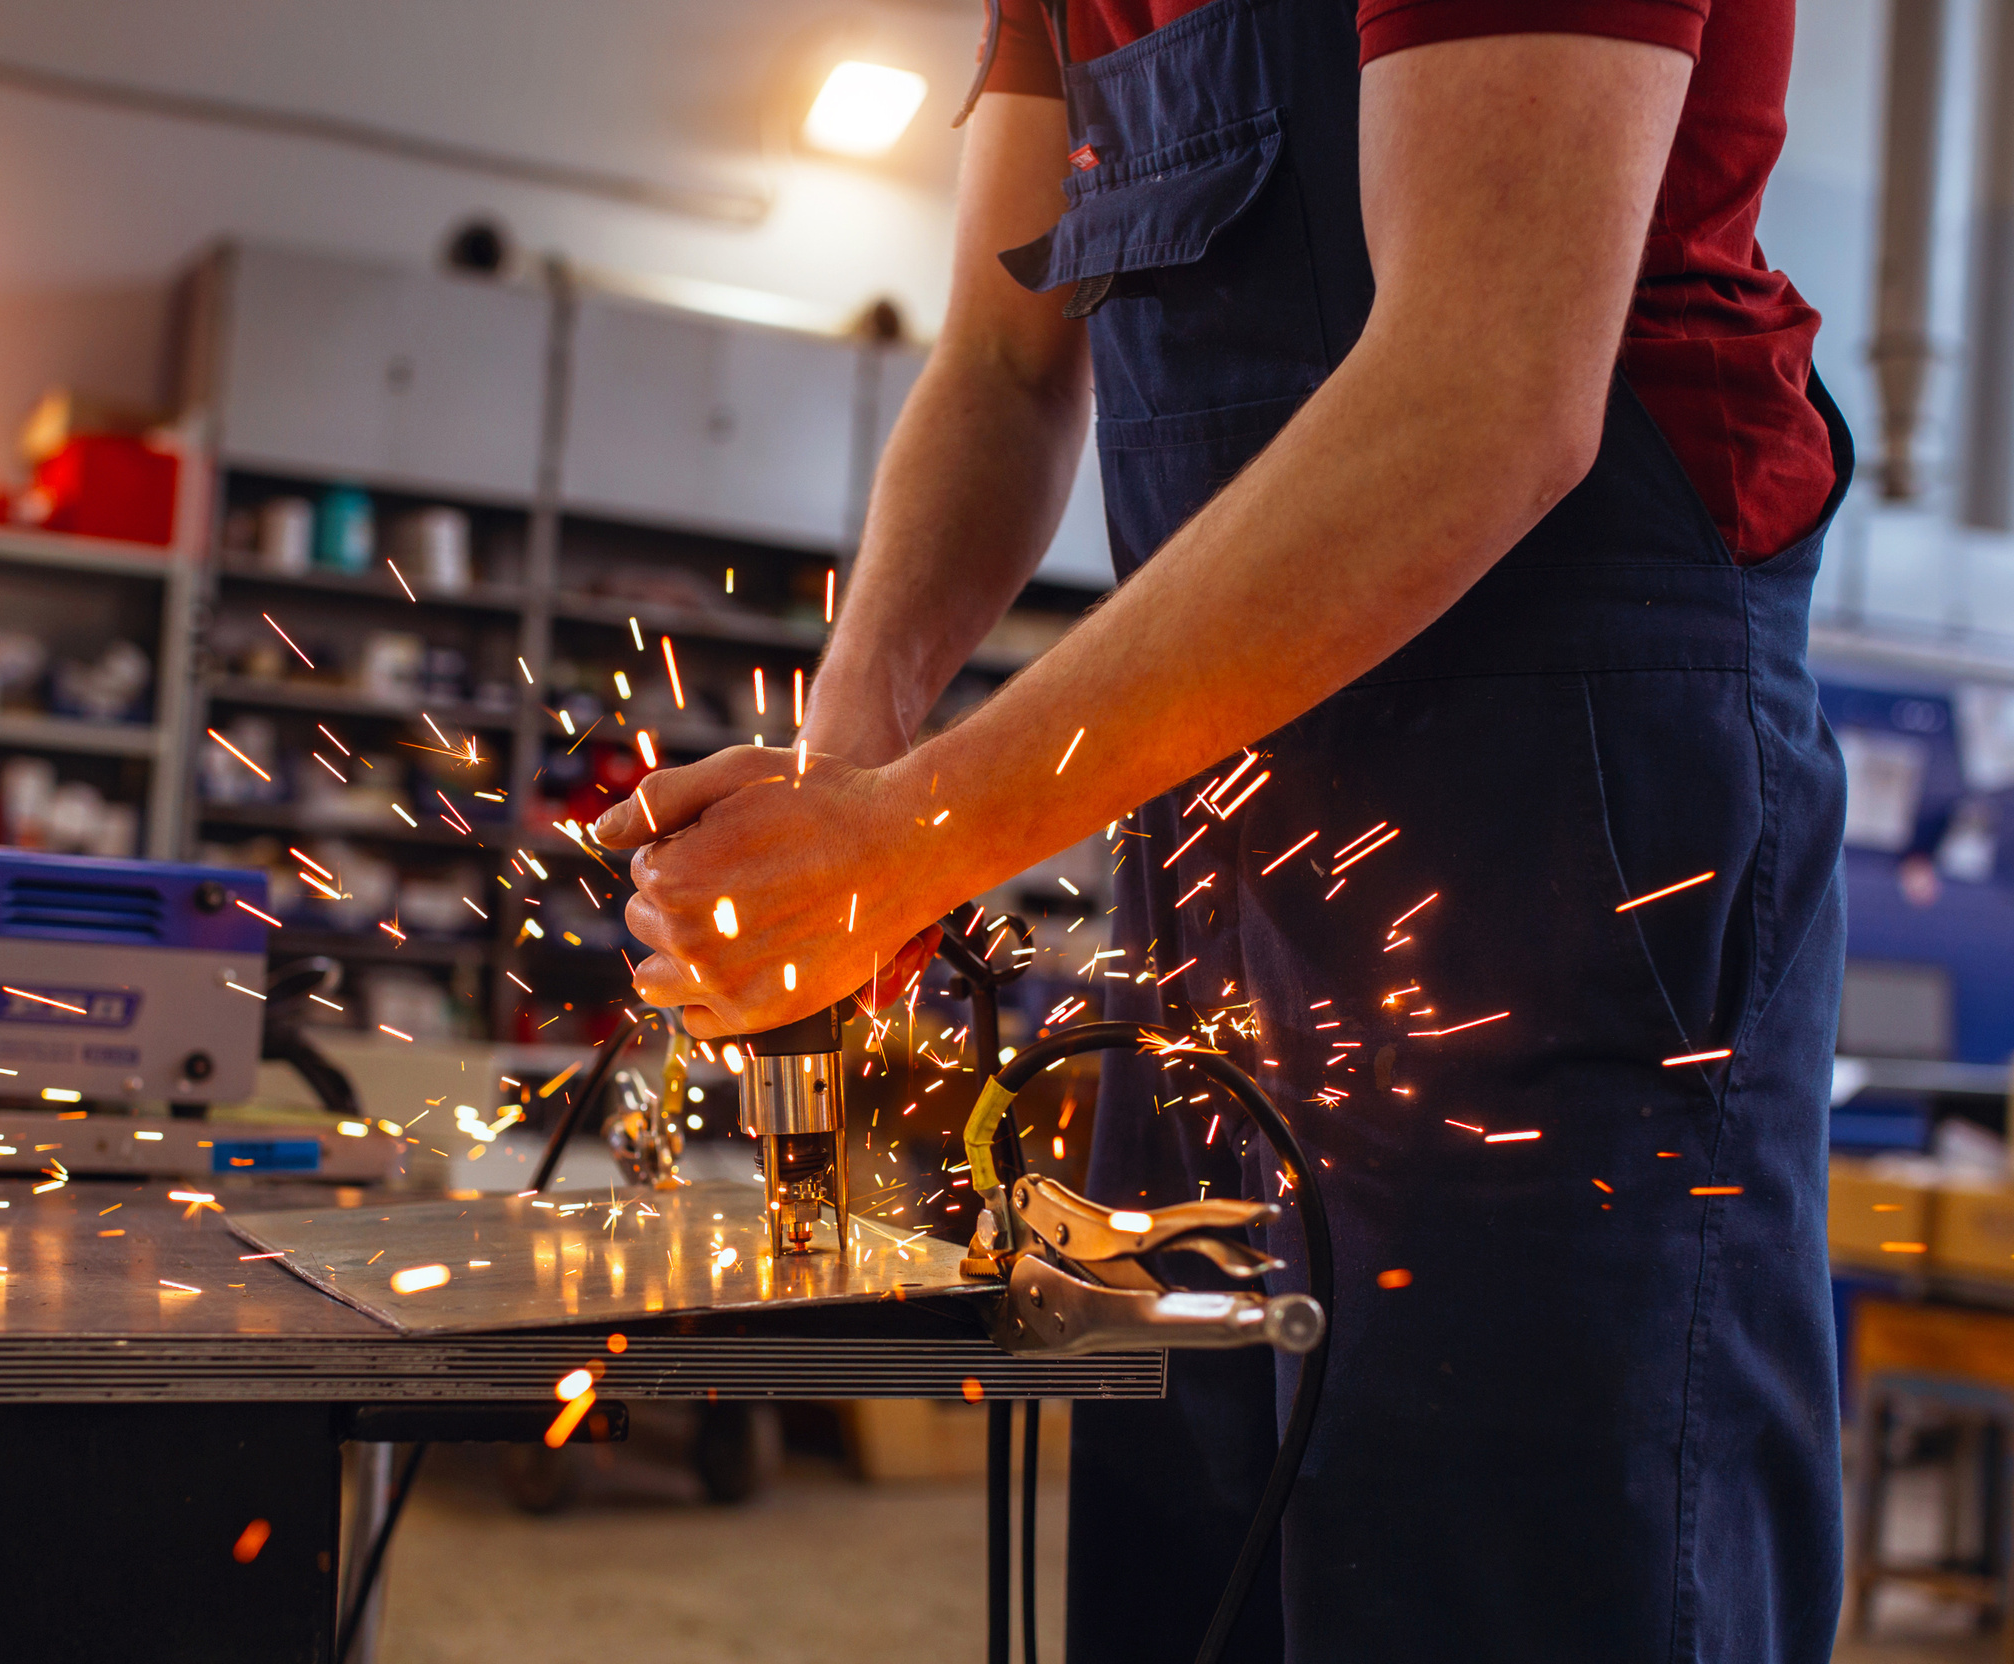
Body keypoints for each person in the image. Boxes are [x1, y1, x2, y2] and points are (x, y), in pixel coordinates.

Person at [595, 0, 1853, 1657]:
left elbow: (1485, 389)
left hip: (1560, 806)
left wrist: (912, 843)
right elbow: (996, 361)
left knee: (1519, 1569)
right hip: (1213, 804)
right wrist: (853, 768)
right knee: (1199, 1555)